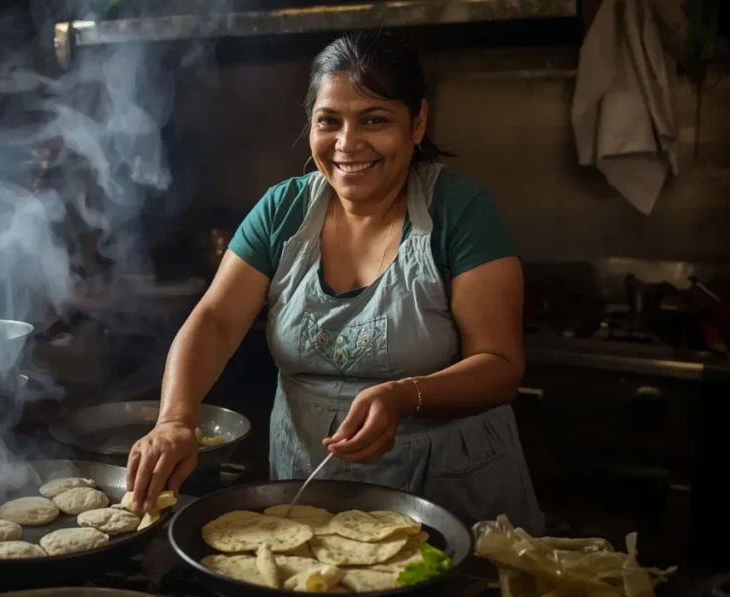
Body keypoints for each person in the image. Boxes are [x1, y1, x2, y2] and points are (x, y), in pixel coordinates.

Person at [125, 30, 544, 534]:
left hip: (448, 492)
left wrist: (404, 395)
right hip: (310, 487)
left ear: (418, 123)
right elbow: (215, 320)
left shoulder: (460, 211)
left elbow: (500, 366)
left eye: (375, 120)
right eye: (329, 121)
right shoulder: (283, 209)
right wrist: (174, 420)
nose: (348, 144)